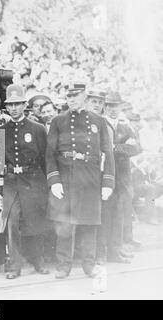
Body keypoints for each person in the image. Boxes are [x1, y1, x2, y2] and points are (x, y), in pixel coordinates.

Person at [46, 82, 115, 279]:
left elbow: (107, 153)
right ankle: (63, 266)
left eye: (76, 96)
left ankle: (89, 265)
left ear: (84, 97)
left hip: (91, 177)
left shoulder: (98, 121)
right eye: (69, 97)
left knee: (90, 223)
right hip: (66, 176)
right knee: (65, 224)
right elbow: (50, 155)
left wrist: (108, 182)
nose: (72, 100)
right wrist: (55, 180)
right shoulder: (58, 121)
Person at [2, 84, 50, 279]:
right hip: (12, 183)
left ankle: (38, 261)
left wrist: (47, 183)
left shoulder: (37, 129)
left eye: (17, 104)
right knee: (13, 223)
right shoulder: (2, 129)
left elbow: (46, 158)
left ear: (24, 105)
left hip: (34, 181)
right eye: (10, 105)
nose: (14, 108)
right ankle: (15, 265)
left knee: (35, 221)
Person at [96, 91, 141, 264]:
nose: (112, 109)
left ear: (121, 106)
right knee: (105, 215)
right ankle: (102, 253)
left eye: (116, 106)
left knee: (120, 215)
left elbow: (137, 148)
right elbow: (101, 149)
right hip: (106, 176)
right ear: (104, 107)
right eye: (109, 106)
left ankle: (115, 251)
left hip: (122, 177)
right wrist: (121, 148)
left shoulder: (125, 126)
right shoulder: (100, 124)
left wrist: (115, 148)